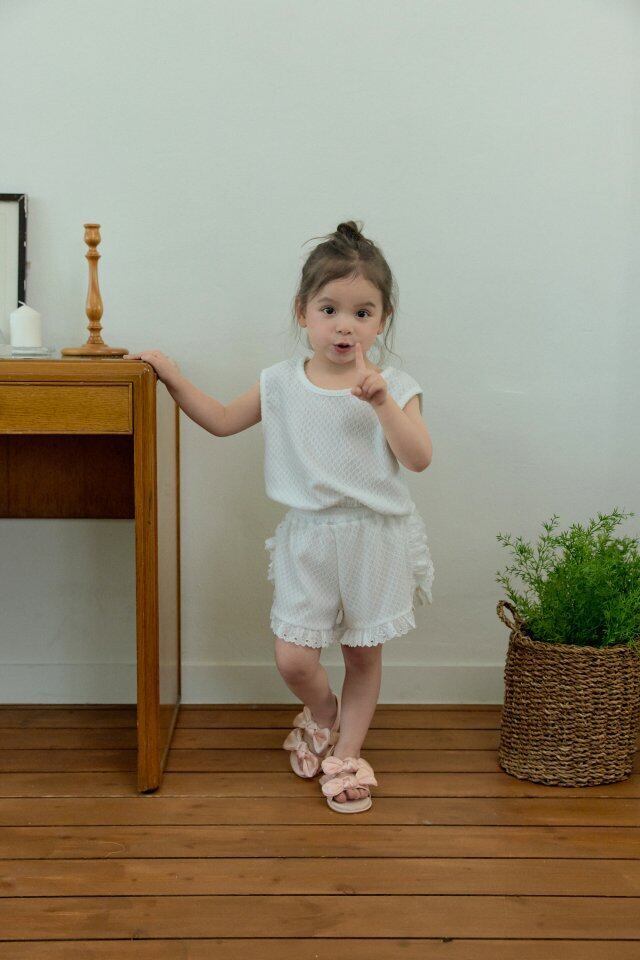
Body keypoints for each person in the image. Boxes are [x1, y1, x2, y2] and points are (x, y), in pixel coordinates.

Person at [123, 219, 434, 814]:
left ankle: (348, 754)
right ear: (303, 311)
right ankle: (323, 712)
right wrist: (170, 374)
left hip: (374, 538)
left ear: (382, 320)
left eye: (363, 312)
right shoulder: (281, 383)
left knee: (363, 654)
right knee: (294, 657)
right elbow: (220, 420)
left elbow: (418, 458)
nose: (345, 325)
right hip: (308, 539)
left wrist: (382, 403)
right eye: (330, 309)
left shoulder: (394, 384)